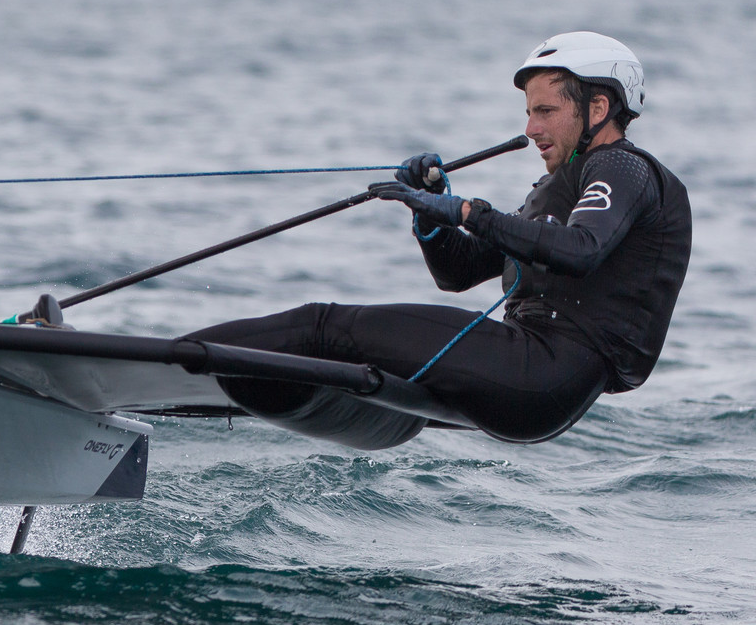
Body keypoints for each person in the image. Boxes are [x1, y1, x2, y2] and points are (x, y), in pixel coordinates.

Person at [188, 32, 692, 450]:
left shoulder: (622, 167)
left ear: (599, 106)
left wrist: (471, 212)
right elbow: (458, 274)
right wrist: (430, 211)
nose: (530, 128)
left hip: (542, 373)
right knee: (335, 342)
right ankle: (198, 371)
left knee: (323, 326)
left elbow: (581, 250)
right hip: (533, 381)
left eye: (545, 111)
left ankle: (177, 358)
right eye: (528, 112)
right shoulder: (564, 185)